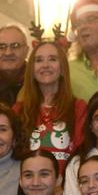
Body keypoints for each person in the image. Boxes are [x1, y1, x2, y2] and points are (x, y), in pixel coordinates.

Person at [17, 38, 87, 168]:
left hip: (67, 179)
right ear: (32, 70)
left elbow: (82, 153)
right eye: (39, 60)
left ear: (62, 68)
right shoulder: (18, 110)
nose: (45, 65)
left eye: (52, 59)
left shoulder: (79, 107)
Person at [0, 23, 30, 105]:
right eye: (1, 47)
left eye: (15, 46)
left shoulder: (39, 86)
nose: (8, 53)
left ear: (26, 51)